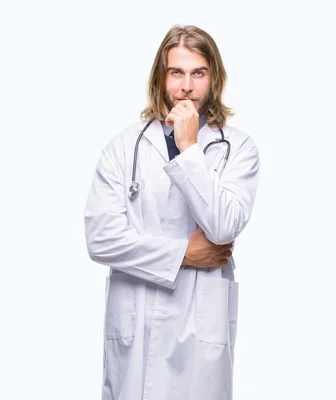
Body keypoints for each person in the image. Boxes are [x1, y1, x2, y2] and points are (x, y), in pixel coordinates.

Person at [84, 24, 260, 400]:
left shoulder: (237, 148)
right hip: (137, 327)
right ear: (160, 78)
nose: (186, 86)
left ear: (214, 78)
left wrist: (189, 148)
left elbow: (224, 225)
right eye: (176, 73)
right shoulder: (123, 147)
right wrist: (184, 255)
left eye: (198, 73)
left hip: (200, 333)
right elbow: (100, 240)